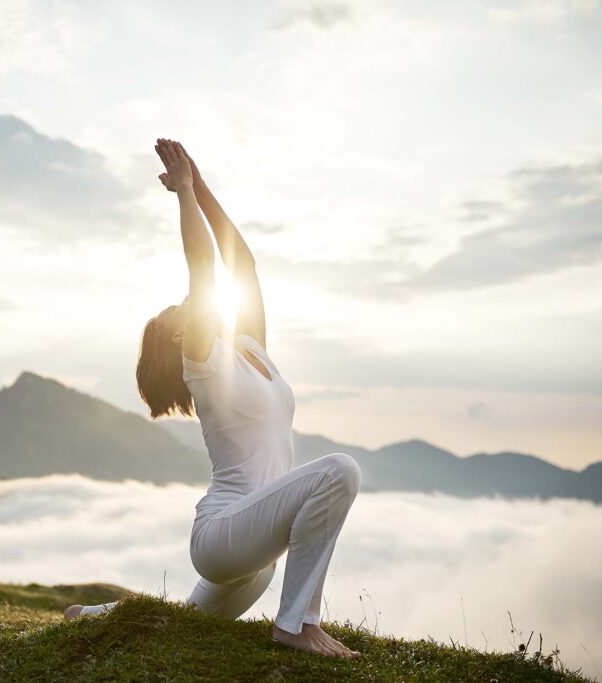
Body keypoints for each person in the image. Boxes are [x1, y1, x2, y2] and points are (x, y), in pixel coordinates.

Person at [64, 138, 362, 659]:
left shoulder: (250, 348)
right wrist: (182, 194)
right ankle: (297, 626)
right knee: (339, 470)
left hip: (253, 550)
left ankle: (86, 618)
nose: (189, 303)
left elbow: (242, 265)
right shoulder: (203, 366)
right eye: (179, 311)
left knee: (180, 624)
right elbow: (203, 270)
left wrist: (201, 187)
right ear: (182, 338)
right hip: (222, 534)